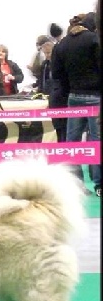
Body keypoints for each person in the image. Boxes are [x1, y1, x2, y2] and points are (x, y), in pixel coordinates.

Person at [51, 12, 101, 197]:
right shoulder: (94, 40)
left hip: (73, 98)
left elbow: (57, 75)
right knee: (96, 142)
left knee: (72, 142)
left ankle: (76, 184)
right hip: (96, 97)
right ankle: (99, 185)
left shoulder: (62, 44)